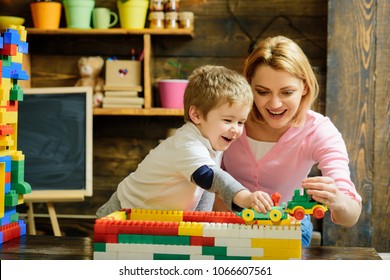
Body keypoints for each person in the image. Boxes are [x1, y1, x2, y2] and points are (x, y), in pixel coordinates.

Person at [219, 36, 362, 246]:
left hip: (286, 225)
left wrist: (337, 199)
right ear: (249, 86)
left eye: (287, 92)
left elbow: (350, 216)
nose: (275, 104)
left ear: (304, 87)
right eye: (262, 92)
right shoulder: (230, 119)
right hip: (225, 222)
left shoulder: (318, 131)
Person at [96, 65, 267, 218]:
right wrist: (244, 196)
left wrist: (200, 225)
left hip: (153, 218)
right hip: (123, 212)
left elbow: (206, 191)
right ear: (197, 115)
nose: (236, 129)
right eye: (228, 120)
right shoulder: (187, 145)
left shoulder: (212, 141)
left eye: (241, 122)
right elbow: (211, 178)